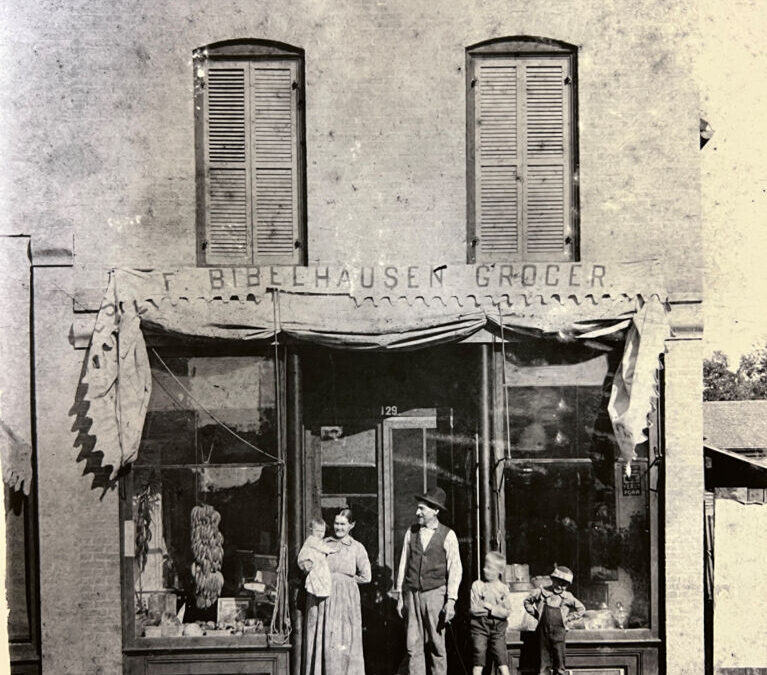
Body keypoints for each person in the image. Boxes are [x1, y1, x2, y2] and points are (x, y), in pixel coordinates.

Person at [395, 486, 463, 675]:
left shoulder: (448, 535)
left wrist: (451, 601)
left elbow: (455, 569)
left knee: (436, 644)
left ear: (436, 511)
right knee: (413, 645)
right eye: (418, 508)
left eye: (422, 509)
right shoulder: (411, 532)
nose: (417, 513)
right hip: (413, 593)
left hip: (435, 594)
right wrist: (401, 596)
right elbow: (403, 563)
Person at [301, 508, 371, 675]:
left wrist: (345, 582)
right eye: (336, 523)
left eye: (343, 524)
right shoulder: (323, 543)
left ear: (351, 525)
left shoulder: (357, 547)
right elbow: (306, 562)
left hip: (345, 602)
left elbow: (366, 576)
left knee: (343, 642)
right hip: (322, 599)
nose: (338, 527)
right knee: (324, 640)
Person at [523, 565, 586, 675]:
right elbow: (527, 601)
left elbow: (581, 609)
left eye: (564, 585)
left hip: (559, 634)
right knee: (543, 664)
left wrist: (567, 618)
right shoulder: (541, 592)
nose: (561, 587)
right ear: (553, 580)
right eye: (558, 582)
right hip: (543, 634)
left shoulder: (568, 597)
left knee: (559, 663)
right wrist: (536, 614)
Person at [469, 550, 512, 675]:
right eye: (484, 566)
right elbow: (474, 609)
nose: (484, 570)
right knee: (478, 657)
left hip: (498, 629)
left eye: (489, 568)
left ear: (499, 571)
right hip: (479, 628)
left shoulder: (503, 589)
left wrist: (489, 607)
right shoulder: (477, 585)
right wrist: (497, 610)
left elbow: (507, 612)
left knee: (501, 657)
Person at [297, 517, 335, 598]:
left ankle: (322, 591)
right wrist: (331, 550)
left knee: (321, 576)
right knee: (315, 577)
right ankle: (318, 591)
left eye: (322, 531)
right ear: (311, 531)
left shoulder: (319, 541)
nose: (320, 534)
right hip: (311, 562)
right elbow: (321, 547)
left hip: (317, 564)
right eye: (317, 531)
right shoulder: (312, 539)